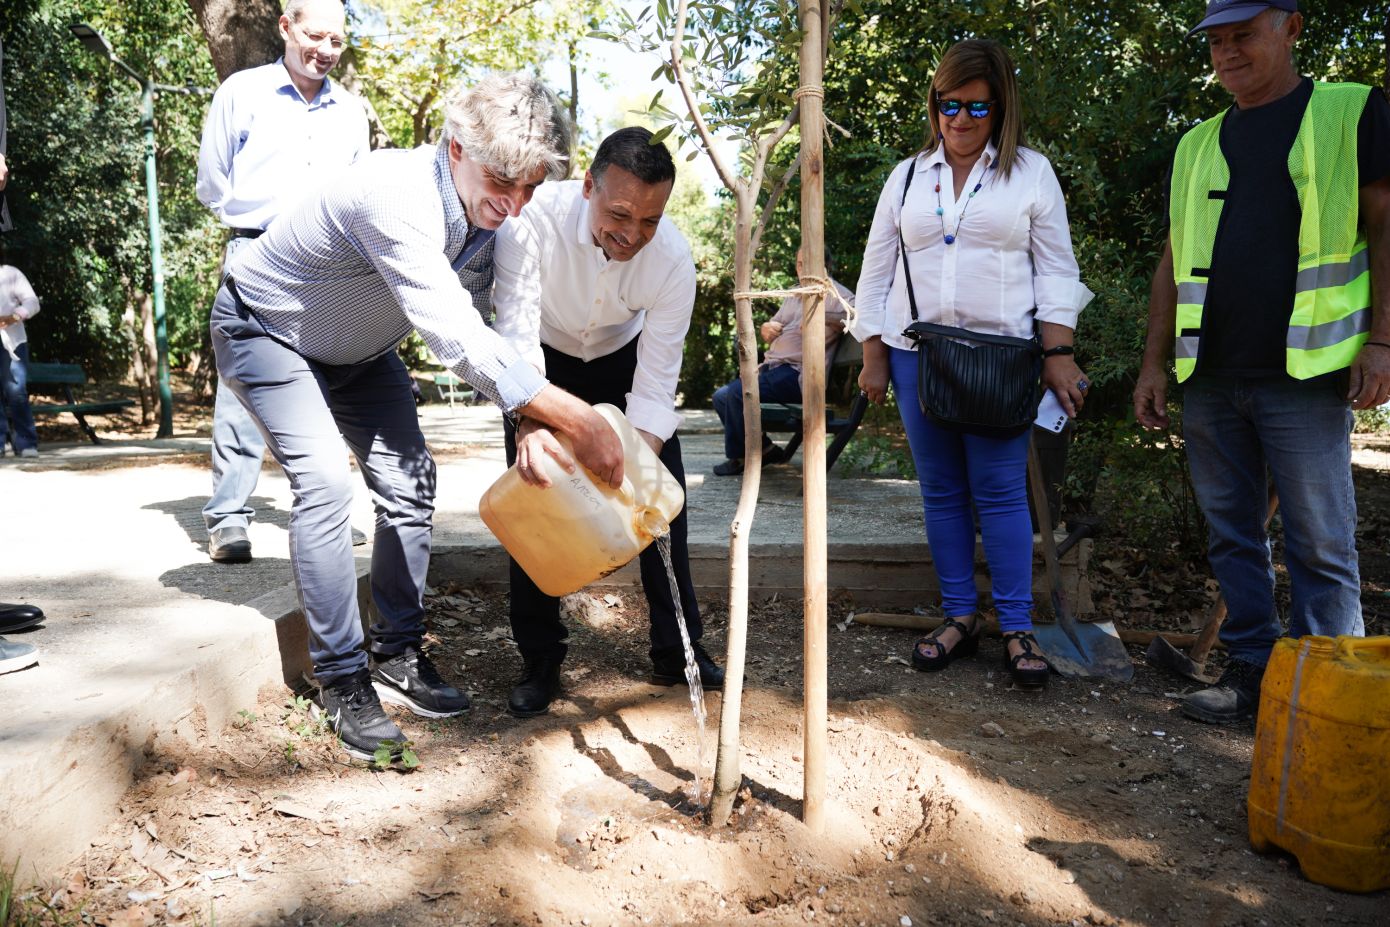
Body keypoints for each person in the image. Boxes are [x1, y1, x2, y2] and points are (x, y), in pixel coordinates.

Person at [209, 73, 624, 759]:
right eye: (503, 180)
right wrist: (578, 419)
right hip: (269, 328)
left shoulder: (498, 215)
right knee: (323, 481)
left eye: (528, 188)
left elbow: (510, 326)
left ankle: (397, 651)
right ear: (456, 145)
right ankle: (342, 679)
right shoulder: (393, 191)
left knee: (410, 482)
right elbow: (455, 334)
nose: (515, 205)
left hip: (358, 349)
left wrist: (533, 419)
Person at [1133, 1, 1390, 723]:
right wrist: (1154, 362)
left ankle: (1329, 698)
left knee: (1322, 542)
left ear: (1290, 27)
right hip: (1210, 374)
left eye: (1243, 34)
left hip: (1307, 373)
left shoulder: (1350, 112)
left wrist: (1382, 340)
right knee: (1233, 534)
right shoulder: (1197, 146)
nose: (1227, 53)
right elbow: (1174, 258)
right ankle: (1253, 673)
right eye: (1216, 41)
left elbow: (1383, 221)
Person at [851, 39, 1093, 690]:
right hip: (914, 357)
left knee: (1000, 491)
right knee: (942, 492)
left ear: (1000, 108)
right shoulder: (906, 176)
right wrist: (872, 353)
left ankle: (1016, 625)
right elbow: (876, 271)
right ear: (934, 105)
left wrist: (1059, 354)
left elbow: (1057, 270)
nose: (959, 120)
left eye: (975, 107)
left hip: (1001, 362)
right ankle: (961, 615)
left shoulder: (1031, 174)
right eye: (947, 104)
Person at [492, 126, 724, 717]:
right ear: (588, 184)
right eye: (620, 214)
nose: (632, 234)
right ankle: (540, 658)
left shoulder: (671, 258)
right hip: (541, 364)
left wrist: (633, 467)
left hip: (623, 363)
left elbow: (654, 385)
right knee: (534, 501)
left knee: (661, 508)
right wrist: (530, 419)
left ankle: (678, 649)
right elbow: (515, 336)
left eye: (650, 221)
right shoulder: (532, 219)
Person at [195, 0, 369, 565]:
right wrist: (257, 224)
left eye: (336, 41)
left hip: (328, 260)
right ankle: (228, 518)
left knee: (325, 380)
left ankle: (325, 511)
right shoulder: (241, 93)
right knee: (244, 386)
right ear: (285, 27)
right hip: (258, 249)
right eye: (314, 35)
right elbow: (212, 182)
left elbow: (357, 191)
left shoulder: (350, 110)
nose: (324, 49)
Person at [710, 247, 854, 476]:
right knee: (721, 397)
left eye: (808, 262)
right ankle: (765, 449)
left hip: (798, 375)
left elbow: (854, 317)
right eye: (798, 263)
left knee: (736, 395)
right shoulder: (794, 295)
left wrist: (822, 317)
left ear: (824, 265)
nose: (802, 268)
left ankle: (741, 458)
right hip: (773, 369)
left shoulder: (837, 295)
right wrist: (766, 328)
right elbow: (772, 326)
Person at [0, 262, 39, 458]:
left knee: (16, 392)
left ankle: (26, 443)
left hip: (12, 342)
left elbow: (32, 302)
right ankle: (1, 443)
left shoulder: (11, 273)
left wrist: (14, 317)